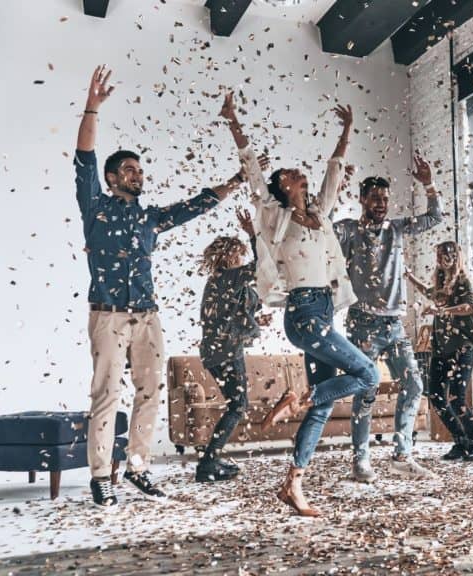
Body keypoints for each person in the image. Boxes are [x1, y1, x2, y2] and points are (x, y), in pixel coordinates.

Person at [75, 67, 244, 507]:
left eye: (139, 170)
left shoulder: (149, 219)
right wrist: (93, 105)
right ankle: (100, 476)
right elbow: (85, 156)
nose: (137, 174)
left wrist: (234, 184)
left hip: (148, 316)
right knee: (107, 394)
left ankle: (138, 467)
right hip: (108, 316)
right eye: (129, 170)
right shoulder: (94, 206)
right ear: (113, 178)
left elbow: (192, 208)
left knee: (151, 391)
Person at [236, 102, 379, 517]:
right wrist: (234, 125)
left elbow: (335, 171)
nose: (302, 175)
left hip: (323, 309)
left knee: (324, 405)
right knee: (367, 372)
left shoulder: (319, 214)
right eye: (293, 174)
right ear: (283, 185)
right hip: (302, 314)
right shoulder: (273, 218)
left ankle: (293, 484)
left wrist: (348, 128)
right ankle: (297, 398)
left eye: (302, 173)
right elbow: (253, 175)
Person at [334, 155, 443, 482]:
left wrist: (429, 184)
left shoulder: (397, 229)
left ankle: (401, 455)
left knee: (414, 383)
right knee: (365, 390)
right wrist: (335, 188)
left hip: (394, 325)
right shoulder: (349, 231)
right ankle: (360, 461)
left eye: (385, 199)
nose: (381, 204)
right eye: (375, 199)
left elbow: (434, 217)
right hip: (363, 323)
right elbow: (321, 229)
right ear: (362, 199)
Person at [195, 202, 272, 483]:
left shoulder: (220, 281)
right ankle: (208, 463)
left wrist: (255, 320)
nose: (241, 259)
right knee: (238, 405)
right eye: (238, 255)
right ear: (229, 257)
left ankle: (211, 460)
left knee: (235, 404)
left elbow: (232, 314)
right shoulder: (229, 276)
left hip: (215, 353)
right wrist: (253, 233)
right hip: (226, 352)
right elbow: (263, 264)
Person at [407, 242, 473, 462]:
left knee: (457, 399)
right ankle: (462, 443)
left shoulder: (462, 281)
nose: (445, 257)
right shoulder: (441, 282)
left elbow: (470, 306)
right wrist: (410, 277)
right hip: (441, 350)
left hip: (462, 348)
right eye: (441, 254)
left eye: (449, 254)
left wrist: (442, 310)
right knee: (436, 396)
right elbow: (430, 293)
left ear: (456, 256)